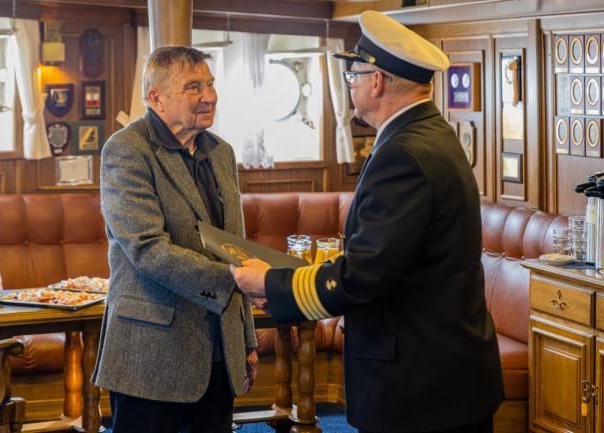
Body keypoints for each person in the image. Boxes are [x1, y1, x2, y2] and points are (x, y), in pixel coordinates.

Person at [231, 10, 504, 433]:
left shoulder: (402, 154)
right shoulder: (431, 134)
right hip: (443, 378)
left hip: (419, 389)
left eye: (352, 76)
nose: (351, 86)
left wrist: (270, 284)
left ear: (376, 81)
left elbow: (364, 275)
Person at [93, 46, 257, 433]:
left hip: (220, 352)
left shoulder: (221, 152)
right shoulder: (126, 149)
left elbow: (234, 248)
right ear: (156, 98)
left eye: (211, 84)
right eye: (193, 87)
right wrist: (233, 279)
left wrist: (245, 339)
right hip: (151, 354)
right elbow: (147, 249)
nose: (210, 96)